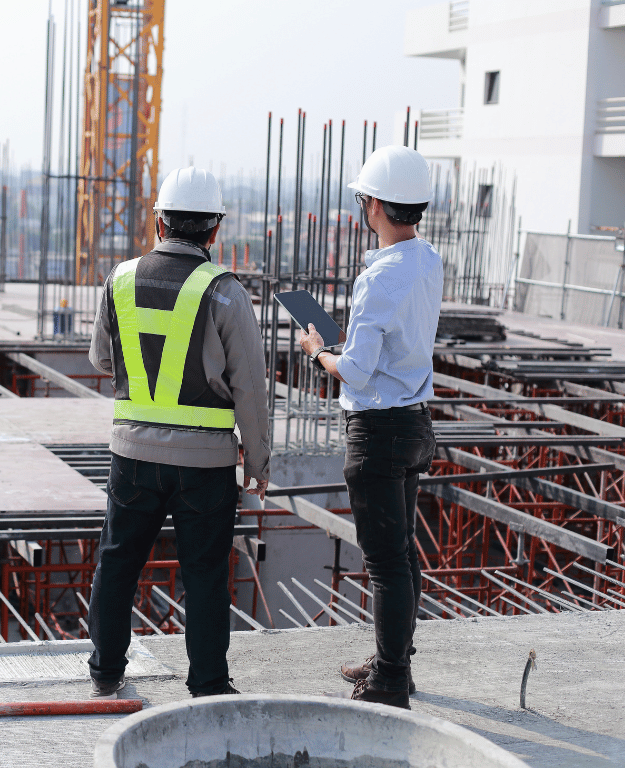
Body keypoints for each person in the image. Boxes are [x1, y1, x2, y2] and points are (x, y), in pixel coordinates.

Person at [86, 167, 270, 700]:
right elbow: (251, 391)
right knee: (206, 574)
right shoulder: (226, 293)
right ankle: (209, 684)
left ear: (159, 221)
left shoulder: (119, 279)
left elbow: (101, 357)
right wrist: (257, 464)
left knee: (118, 562)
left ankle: (105, 671)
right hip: (206, 466)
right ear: (214, 230)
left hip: (133, 457)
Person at [298, 145, 442, 710]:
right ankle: (392, 665)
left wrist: (317, 351)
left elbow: (355, 370)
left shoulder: (377, 278)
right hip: (415, 423)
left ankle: (388, 683)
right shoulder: (427, 260)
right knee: (403, 554)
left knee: (386, 563)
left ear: (374, 204)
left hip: (378, 430)